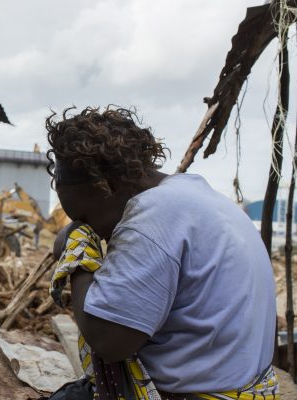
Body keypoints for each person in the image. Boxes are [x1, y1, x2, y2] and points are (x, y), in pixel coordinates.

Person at [45, 106, 278, 399]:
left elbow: (109, 341)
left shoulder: (153, 216)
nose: (87, 228)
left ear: (109, 186)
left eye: (85, 217)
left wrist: (77, 255)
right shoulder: (199, 199)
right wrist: (76, 231)